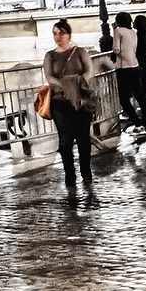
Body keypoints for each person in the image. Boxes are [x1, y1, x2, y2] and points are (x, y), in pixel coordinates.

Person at [43, 19, 98, 201]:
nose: (57, 37)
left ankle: (86, 171)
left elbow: (89, 71)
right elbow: (50, 77)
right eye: (55, 33)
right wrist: (69, 86)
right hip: (60, 102)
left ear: (69, 34)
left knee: (83, 138)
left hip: (81, 101)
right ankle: (69, 174)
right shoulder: (50, 56)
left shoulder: (80, 52)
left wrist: (76, 86)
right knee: (65, 140)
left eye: (61, 33)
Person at [110, 12, 146, 142]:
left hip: (128, 68)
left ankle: (141, 123)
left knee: (127, 98)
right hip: (140, 67)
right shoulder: (141, 35)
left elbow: (116, 49)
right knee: (142, 96)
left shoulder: (120, 31)